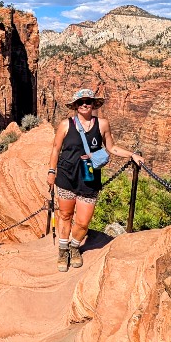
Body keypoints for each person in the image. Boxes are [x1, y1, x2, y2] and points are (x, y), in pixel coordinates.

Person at [46, 88, 143, 272]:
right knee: (65, 216)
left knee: (83, 222)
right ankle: (63, 249)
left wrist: (132, 155)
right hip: (67, 176)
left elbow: (111, 148)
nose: (84, 104)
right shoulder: (66, 125)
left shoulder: (102, 124)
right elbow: (55, 149)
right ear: (75, 105)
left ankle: (75, 247)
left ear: (93, 104)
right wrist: (52, 171)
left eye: (88, 101)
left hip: (89, 178)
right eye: (81, 102)